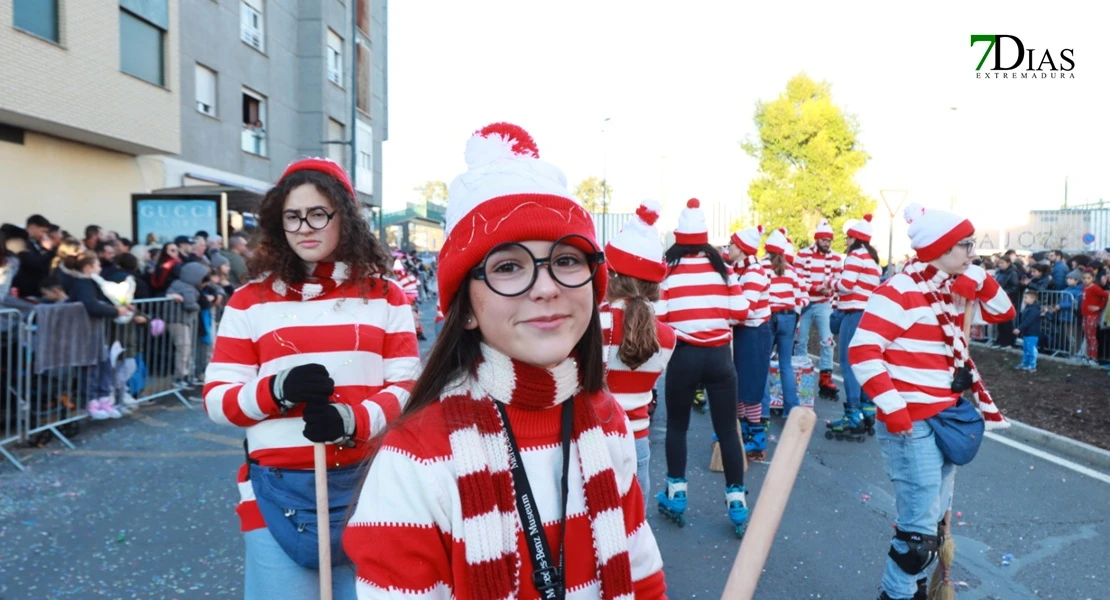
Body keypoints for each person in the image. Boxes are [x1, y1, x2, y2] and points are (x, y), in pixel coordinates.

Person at [343, 123, 665, 598]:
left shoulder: (607, 419)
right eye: (508, 266)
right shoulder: (415, 456)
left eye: (568, 260)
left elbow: (644, 579)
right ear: (466, 310)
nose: (547, 286)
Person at [203, 158, 417, 599]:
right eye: (292, 216)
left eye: (318, 213)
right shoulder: (248, 301)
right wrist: (275, 391)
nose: (304, 226)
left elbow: (407, 388)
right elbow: (217, 399)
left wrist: (353, 419)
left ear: (345, 217)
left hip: (368, 488)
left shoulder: (384, 296)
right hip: (275, 494)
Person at [849, 203, 1015, 600]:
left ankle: (915, 588)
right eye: (965, 245)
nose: (972, 252)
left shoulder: (954, 290)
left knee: (930, 521)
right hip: (912, 421)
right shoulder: (900, 290)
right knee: (918, 533)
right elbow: (863, 349)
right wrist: (895, 410)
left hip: (948, 413)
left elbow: (1003, 312)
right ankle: (898, 594)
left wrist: (980, 278)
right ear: (941, 248)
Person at [655, 198, 751, 536]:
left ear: (679, 237)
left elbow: (659, 318)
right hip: (720, 358)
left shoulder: (667, 271)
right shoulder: (723, 269)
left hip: (683, 356)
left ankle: (676, 494)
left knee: (677, 428)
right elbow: (741, 312)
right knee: (727, 429)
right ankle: (737, 501)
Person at [599, 198, 676, 501]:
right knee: (633, 533)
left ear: (612, 275)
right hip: (639, 441)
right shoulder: (667, 337)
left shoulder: (596, 323)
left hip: (599, 439)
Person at [57, 251, 133, 419]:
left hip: (95, 331)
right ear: (88, 267)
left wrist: (119, 307)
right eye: (97, 265)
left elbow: (98, 303)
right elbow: (91, 305)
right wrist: (115, 310)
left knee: (103, 364)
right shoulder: (82, 284)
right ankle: (91, 401)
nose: (100, 268)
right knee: (91, 367)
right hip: (85, 332)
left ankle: (103, 399)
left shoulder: (91, 283)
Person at [827, 214, 882, 440]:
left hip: (854, 313)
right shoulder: (871, 258)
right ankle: (868, 411)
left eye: (847, 238)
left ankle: (853, 414)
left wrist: (829, 284)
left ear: (853, 238)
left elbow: (846, 284)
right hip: (869, 314)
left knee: (848, 363)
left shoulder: (855, 256)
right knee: (864, 363)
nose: (846, 242)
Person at [727, 224, 772, 460]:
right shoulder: (740, 270)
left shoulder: (754, 272)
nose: (729, 247)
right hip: (744, 333)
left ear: (743, 248)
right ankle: (744, 432)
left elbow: (745, 310)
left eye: (732, 244)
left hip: (755, 334)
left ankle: (757, 438)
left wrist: (721, 317)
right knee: (741, 388)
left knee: (752, 388)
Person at [761, 228, 807, 418]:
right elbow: (803, 298)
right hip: (789, 317)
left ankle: (762, 411)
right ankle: (791, 410)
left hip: (769, 316)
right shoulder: (792, 270)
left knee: (763, 364)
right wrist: (795, 310)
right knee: (786, 365)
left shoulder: (761, 267)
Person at [794, 219, 843, 400]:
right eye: (824, 240)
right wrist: (816, 288)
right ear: (817, 239)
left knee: (827, 341)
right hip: (805, 302)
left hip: (824, 302)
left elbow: (838, 280)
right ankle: (800, 375)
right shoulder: (802, 255)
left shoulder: (837, 259)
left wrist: (830, 289)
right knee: (801, 340)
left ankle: (825, 379)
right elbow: (797, 279)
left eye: (829, 240)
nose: (827, 243)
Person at [990, 255, 1021, 348]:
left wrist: (1003, 293)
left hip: (1008, 300)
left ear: (1008, 263)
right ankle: (1000, 340)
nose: (1000, 265)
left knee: (1008, 322)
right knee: (1000, 321)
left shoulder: (1012, 273)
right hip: (1000, 299)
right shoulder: (999, 272)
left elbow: (1014, 287)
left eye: (1002, 263)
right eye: (999, 263)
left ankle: (1008, 341)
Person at [1080, 269, 1108, 363]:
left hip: (1092, 315)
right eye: (1084, 278)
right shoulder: (1085, 288)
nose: (1086, 280)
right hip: (1085, 314)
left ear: (1093, 278)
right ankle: (1088, 355)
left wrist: (1099, 307)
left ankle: (1094, 357)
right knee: (1087, 336)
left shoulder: (1095, 288)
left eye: (1088, 278)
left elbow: (1105, 295)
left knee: (1092, 336)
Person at [1013, 289, 1041, 372]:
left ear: (1033, 299)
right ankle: (1025, 363)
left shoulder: (1034, 310)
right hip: (1027, 333)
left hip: (1032, 333)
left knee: (1031, 349)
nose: (1024, 299)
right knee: (1026, 349)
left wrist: (1019, 328)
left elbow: (1028, 321)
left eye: (1026, 297)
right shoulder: (1029, 308)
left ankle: (1032, 366)